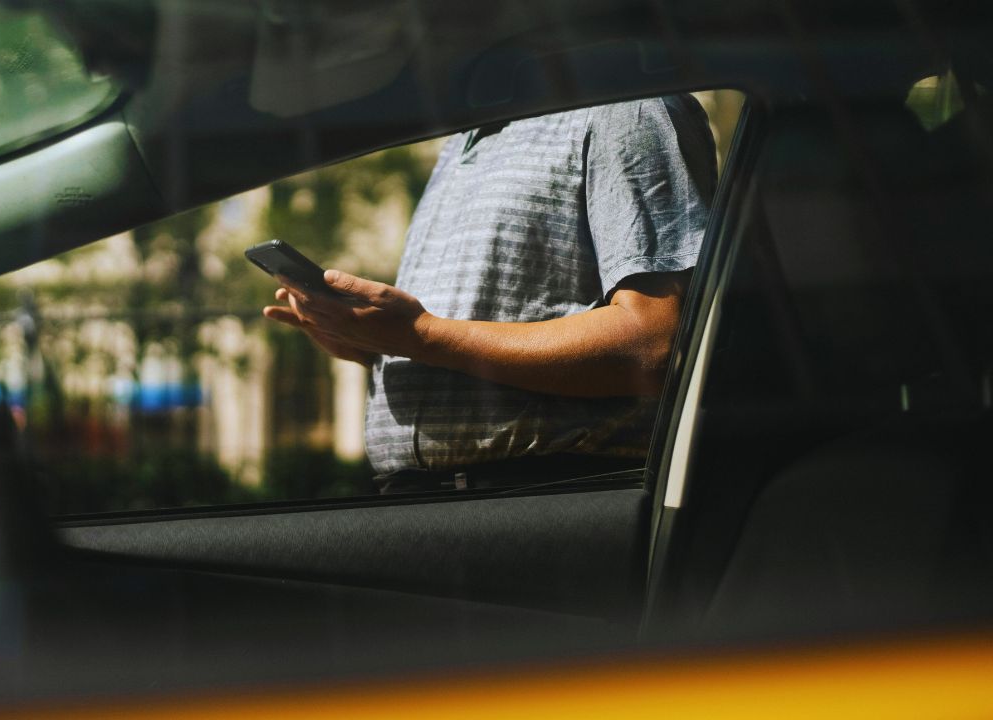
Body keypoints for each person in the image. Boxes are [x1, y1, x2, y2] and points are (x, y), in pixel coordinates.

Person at [264, 95, 717, 491]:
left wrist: (417, 336)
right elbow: (457, 340)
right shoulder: (460, 141)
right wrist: (372, 343)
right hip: (425, 501)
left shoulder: (628, 110)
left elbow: (654, 344)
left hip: (548, 496)